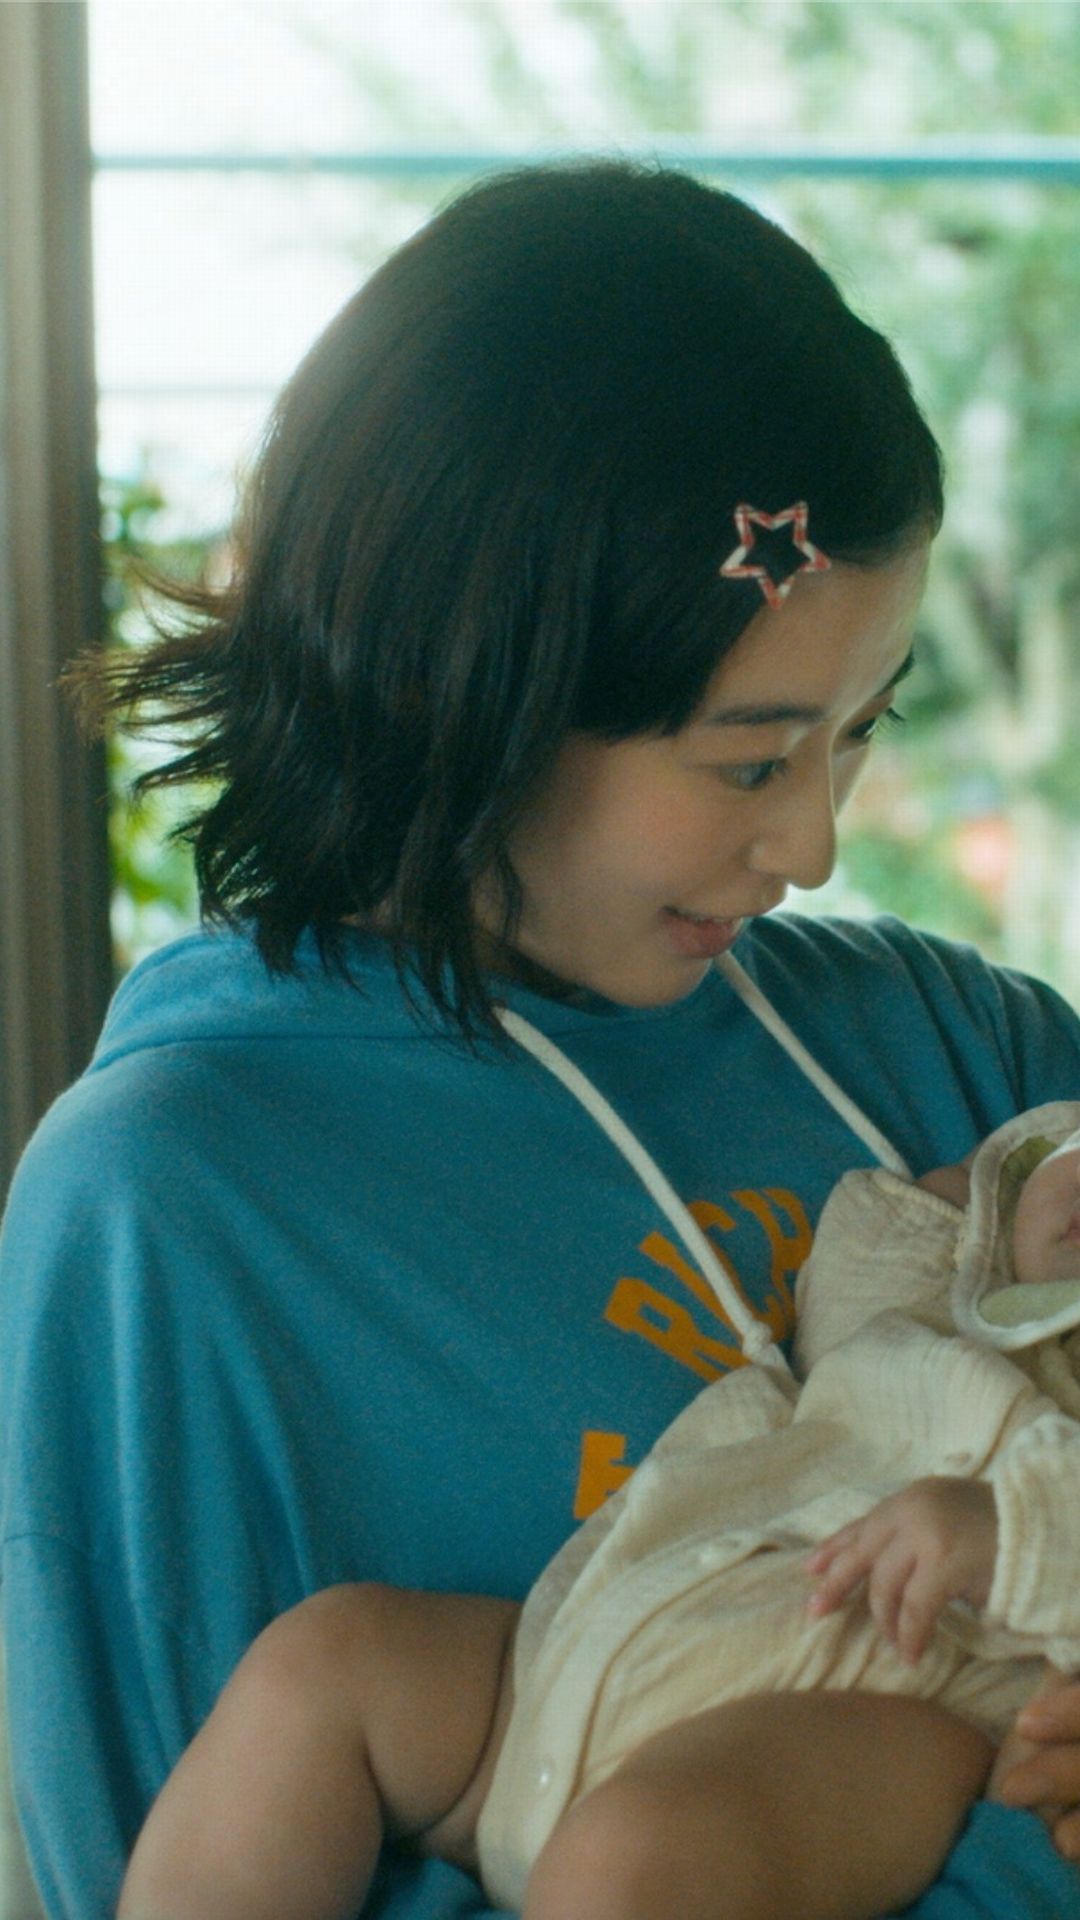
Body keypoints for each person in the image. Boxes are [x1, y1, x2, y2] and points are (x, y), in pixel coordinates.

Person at [3, 159, 1080, 1920]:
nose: (815, 847)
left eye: (862, 734)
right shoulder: (168, 1211)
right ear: (462, 696)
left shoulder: (969, 1056)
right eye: (751, 758)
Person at [113, 1103, 1080, 1920]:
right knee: (333, 1657)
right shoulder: (947, 1311)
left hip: (882, 1705)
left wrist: (1013, 1534)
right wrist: (952, 1207)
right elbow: (867, 1266)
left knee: (636, 1856)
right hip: (593, 1654)